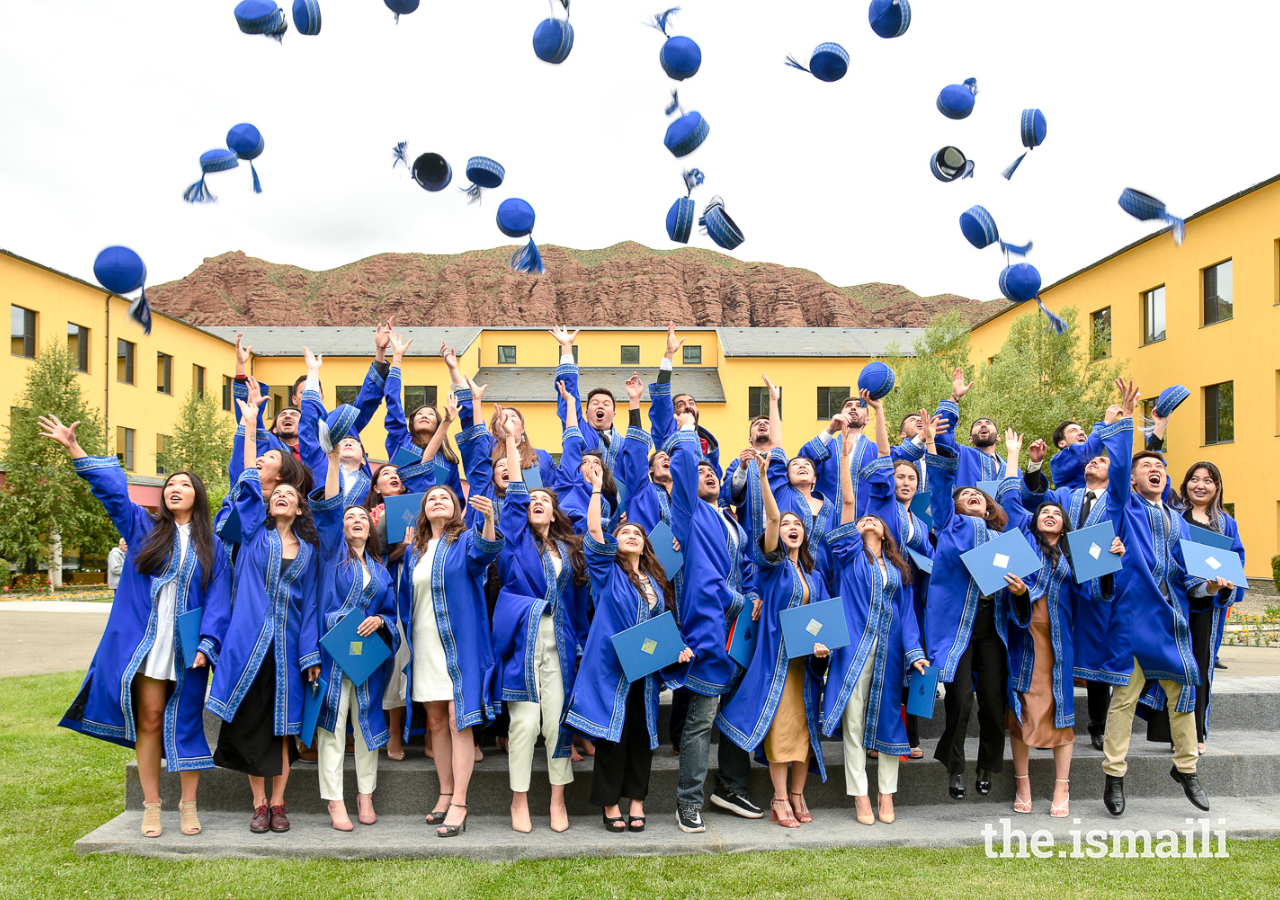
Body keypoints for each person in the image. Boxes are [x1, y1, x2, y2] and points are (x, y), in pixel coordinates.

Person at [44, 415, 231, 839]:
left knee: (185, 723)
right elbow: (112, 495)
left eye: (183, 484)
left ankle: (188, 805)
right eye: (169, 486)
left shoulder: (212, 544)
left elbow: (220, 599)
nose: (175, 488)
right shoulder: (143, 527)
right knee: (149, 719)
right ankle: (152, 806)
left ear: (197, 495)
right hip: (148, 644)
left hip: (188, 647)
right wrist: (76, 450)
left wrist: (208, 642)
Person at [1098, 379, 1231, 816]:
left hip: (1170, 621)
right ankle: (1114, 777)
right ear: (1133, 480)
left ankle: (1187, 770)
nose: (1154, 469)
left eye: (1159, 465)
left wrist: (1210, 586)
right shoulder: (1124, 507)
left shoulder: (1176, 519)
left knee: (1184, 693)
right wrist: (1130, 419)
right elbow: (1118, 471)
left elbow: (1187, 573)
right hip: (1132, 619)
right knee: (1123, 700)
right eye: (1145, 466)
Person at [206, 398, 321, 835]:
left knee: (283, 729)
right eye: (277, 496)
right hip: (249, 641)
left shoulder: (309, 552)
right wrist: (250, 424)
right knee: (253, 723)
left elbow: (310, 605)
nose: (281, 500)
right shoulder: (253, 534)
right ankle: (258, 804)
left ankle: (279, 804)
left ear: (297, 508)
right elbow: (246, 482)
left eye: (289, 497)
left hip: (289, 647)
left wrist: (310, 655)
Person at [1000, 429, 1126, 818]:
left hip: (1060, 643)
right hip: (1026, 643)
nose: (1050, 514)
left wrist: (1110, 560)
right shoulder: (1020, 549)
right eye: (1044, 512)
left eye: (1056, 512)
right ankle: (1023, 784)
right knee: (1021, 713)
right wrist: (1015, 456)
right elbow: (1008, 498)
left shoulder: (1077, 552)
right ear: (1035, 521)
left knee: (1062, 715)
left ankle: (1061, 789)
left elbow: (1102, 593)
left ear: (1064, 522)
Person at [565, 459, 690, 832]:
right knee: (612, 737)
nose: (632, 535)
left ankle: (637, 802)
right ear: (616, 543)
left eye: (638, 533)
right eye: (625, 533)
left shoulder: (657, 579)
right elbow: (592, 529)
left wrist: (677, 648)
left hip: (645, 670)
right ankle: (610, 806)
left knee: (640, 736)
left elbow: (663, 625)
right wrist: (595, 488)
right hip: (612, 667)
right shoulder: (608, 573)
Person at [821, 393, 927, 825]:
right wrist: (845, 461)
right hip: (853, 650)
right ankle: (859, 795)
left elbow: (906, 615)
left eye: (874, 518)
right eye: (864, 518)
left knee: (888, 722)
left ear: (885, 529)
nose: (868, 519)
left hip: (889, 649)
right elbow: (848, 504)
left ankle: (887, 794)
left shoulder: (897, 569)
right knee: (853, 721)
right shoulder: (848, 559)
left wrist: (916, 652)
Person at [717, 451, 829, 829]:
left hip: (806, 666)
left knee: (805, 732)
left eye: (799, 524)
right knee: (782, 731)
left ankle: (799, 794)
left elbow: (823, 618)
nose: (792, 526)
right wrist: (763, 478)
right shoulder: (773, 567)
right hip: (778, 663)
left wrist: (823, 647)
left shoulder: (814, 574)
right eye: (787, 524)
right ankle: (779, 798)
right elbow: (773, 516)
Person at [493, 410, 589, 834]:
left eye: (544, 502)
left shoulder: (569, 552)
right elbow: (515, 490)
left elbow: (579, 600)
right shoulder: (515, 542)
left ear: (553, 513)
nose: (536, 504)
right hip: (525, 645)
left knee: (555, 726)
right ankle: (519, 802)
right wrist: (512, 440)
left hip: (561, 649)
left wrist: (582, 644)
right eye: (533, 501)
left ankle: (556, 800)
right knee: (524, 724)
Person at [667, 412, 763, 833]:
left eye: (711, 469)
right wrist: (687, 431)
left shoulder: (729, 518)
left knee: (734, 713)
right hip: (707, 628)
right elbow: (686, 464)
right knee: (701, 721)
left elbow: (743, 564)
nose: (705, 473)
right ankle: (688, 801)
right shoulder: (688, 515)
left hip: (739, 631)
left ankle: (730, 787)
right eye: (699, 469)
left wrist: (753, 595)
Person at [400, 484, 503, 837]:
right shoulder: (413, 551)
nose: (438, 501)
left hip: (460, 645)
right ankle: (444, 792)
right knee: (436, 721)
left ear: (457, 508)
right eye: (431, 499)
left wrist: (488, 519)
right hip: (425, 644)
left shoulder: (465, 542)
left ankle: (460, 802)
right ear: (424, 510)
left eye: (445, 497)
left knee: (460, 720)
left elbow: (486, 554)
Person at [1020, 419, 1127, 753]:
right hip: (1062, 583)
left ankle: (1097, 725)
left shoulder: (1118, 501)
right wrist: (1034, 465)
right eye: (1091, 459)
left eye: (1103, 460)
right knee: (1056, 651)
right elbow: (1036, 498)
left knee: (1094, 657)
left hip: (1096, 584)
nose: (1094, 461)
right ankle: (1049, 721)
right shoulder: (1067, 494)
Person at [923, 415, 1016, 800]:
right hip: (956, 629)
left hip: (992, 625)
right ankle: (955, 766)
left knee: (994, 706)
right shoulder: (949, 526)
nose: (971, 496)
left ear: (989, 506)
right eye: (965, 495)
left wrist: (1021, 590)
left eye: (978, 496)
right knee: (960, 701)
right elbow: (943, 481)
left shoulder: (1004, 536)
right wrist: (932, 443)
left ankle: (987, 766)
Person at [311, 445, 401, 831]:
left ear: (371, 525)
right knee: (332, 728)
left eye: (362, 516)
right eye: (350, 517)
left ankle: (365, 796)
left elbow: (391, 613)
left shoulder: (380, 569)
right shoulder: (331, 554)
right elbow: (329, 508)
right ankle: (335, 802)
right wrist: (332, 462)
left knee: (366, 728)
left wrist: (380, 622)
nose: (356, 520)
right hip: (333, 656)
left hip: (366, 658)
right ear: (342, 527)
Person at [1142, 460, 1245, 754]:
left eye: (1208, 480)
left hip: (1208, 608)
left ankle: (1195, 732)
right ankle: (1173, 732)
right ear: (1185, 483)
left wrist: (1224, 585)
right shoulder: (1173, 516)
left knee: (1200, 667)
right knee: (1173, 665)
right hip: (1178, 602)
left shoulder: (1226, 523)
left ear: (1217, 487)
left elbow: (1236, 560)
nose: (1200, 485)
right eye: (1194, 479)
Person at [363, 461, 413, 761]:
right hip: (384, 591)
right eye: (385, 474)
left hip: (415, 588)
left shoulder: (418, 512)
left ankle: (411, 733)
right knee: (391, 658)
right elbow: (373, 559)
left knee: (408, 657)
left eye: (397, 474)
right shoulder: (368, 518)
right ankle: (383, 731)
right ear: (375, 487)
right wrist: (400, 550)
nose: (393, 477)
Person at [384, 333, 465, 496]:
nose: (424, 415)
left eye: (430, 414)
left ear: (439, 423)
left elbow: (456, 499)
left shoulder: (448, 460)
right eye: (419, 413)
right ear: (411, 422)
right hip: (397, 515)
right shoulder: (400, 441)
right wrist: (397, 357)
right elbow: (393, 402)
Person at [648, 324, 722, 478]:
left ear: (698, 411)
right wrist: (669, 354)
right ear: (672, 413)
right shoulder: (667, 433)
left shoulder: (709, 444)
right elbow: (661, 401)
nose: (688, 406)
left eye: (691, 403)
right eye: (680, 404)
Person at [550, 326, 625, 470]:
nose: (600, 406)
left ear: (614, 414)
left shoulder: (624, 444)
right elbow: (569, 397)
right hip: (583, 491)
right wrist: (566, 348)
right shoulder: (579, 431)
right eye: (595, 403)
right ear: (586, 413)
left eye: (606, 403)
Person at [936, 367, 1018, 487]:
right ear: (970, 439)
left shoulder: (1012, 469)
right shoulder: (960, 455)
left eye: (988, 423)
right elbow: (941, 434)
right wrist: (954, 398)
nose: (983, 425)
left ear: (998, 437)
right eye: (978, 424)